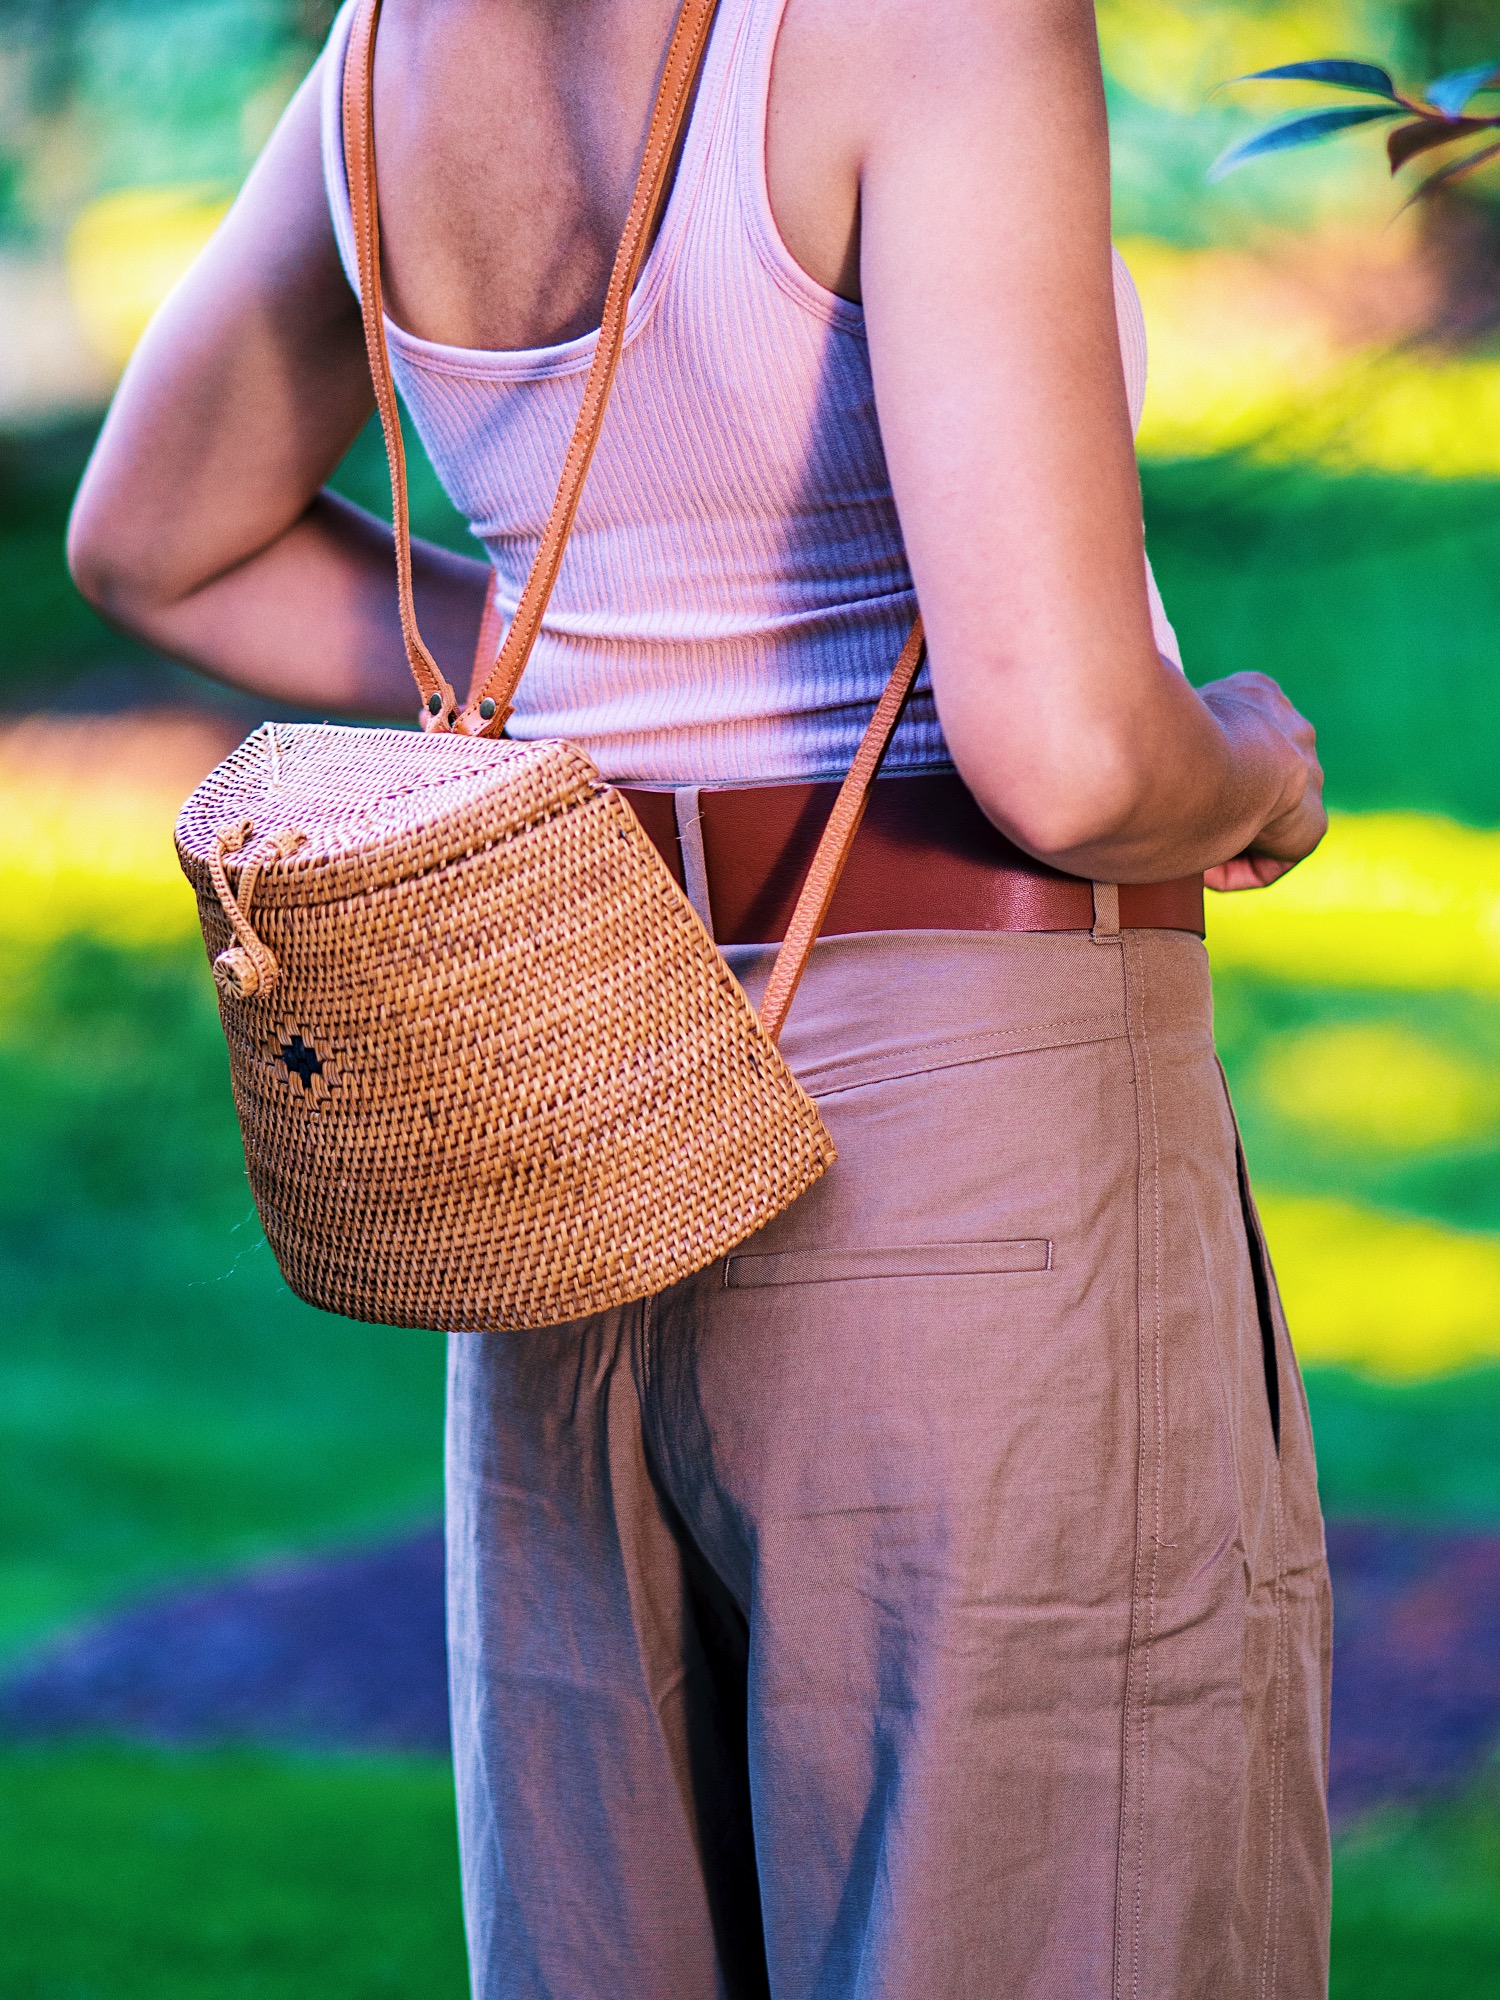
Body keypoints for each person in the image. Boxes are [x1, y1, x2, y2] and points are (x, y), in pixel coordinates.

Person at [67, 0, 1332, 1993]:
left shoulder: (397, 41)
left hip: (558, 1076)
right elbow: (1074, 758)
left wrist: (598, 675)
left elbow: (158, 539)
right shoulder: (938, 26)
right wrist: (1255, 760)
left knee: (623, 1929)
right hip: (964, 1119)